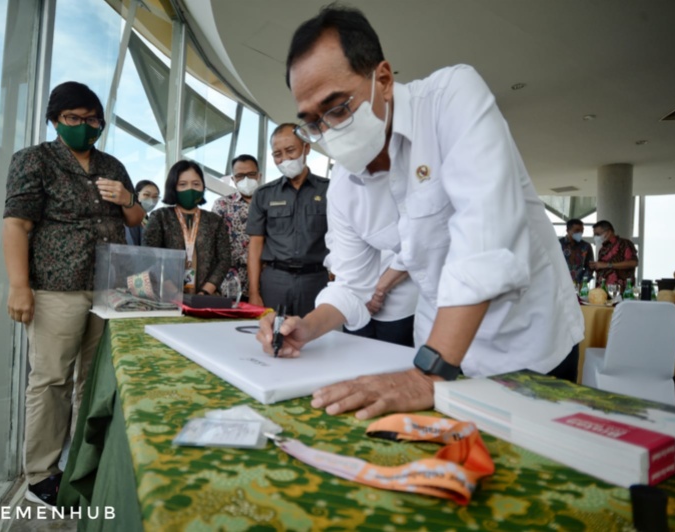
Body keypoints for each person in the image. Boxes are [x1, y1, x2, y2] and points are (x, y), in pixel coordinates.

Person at [254, 6, 583, 420]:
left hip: (523, 344)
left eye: (337, 108)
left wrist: (429, 374)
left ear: (384, 80)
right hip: (435, 349)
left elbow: (484, 242)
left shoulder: (451, 98)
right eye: (313, 124)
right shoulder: (343, 185)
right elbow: (353, 284)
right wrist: (308, 327)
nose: (328, 133)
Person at [3, 81, 144, 507]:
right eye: (74, 118)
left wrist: (126, 198)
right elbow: (17, 225)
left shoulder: (112, 164)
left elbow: (137, 217)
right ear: (55, 119)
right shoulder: (35, 161)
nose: (85, 126)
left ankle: (85, 459)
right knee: (51, 381)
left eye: (92, 119)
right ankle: (42, 474)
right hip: (55, 287)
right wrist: (19, 286)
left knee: (93, 381)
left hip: (106, 288)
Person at [245, 124, 330, 316]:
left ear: (306, 148)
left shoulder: (329, 190)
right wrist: (253, 292)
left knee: (314, 340)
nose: (284, 159)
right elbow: (255, 246)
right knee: (270, 337)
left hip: (315, 280)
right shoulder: (264, 195)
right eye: (277, 154)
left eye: (290, 150)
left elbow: (342, 239)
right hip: (275, 280)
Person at [143, 160, 231, 295]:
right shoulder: (160, 217)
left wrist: (205, 293)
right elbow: (150, 257)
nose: (190, 189)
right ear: (173, 187)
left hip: (206, 298)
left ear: (203, 187)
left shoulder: (215, 221)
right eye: (182, 184)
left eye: (196, 184)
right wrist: (175, 294)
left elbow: (224, 259)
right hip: (165, 297)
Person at [212, 155, 261, 298]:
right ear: (233, 179)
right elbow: (213, 245)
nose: (246, 179)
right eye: (240, 176)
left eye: (251, 174)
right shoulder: (222, 205)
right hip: (231, 281)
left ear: (259, 175)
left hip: (265, 279)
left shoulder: (270, 202)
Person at [589, 220, 639, 287]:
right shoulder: (602, 249)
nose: (595, 237)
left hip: (621, 290)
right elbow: (603, 267)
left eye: (598, 234)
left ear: (609, 232)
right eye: (594, 234)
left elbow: (633, 263)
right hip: (603, 290)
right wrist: (596, 266)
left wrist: (607, 265)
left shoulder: (624, 243)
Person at [125, 179, 160, 245]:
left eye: (155, 196)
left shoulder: (148, 220)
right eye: (146, 195)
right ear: (136, 195)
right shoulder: (132, 219)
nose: (151, 200)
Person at [558, 218, 593, 283]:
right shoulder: (558, 244)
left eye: (582, 230)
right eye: (577, 230)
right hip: (560, 283)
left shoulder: (586, 246)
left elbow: (590, 266)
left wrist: (584, 281)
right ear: (568, 230)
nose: (580, 233)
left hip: (579, 283)